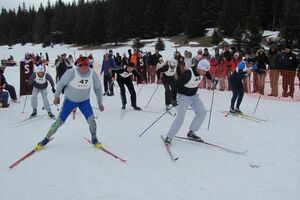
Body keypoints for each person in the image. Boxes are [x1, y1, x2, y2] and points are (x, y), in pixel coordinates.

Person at [35, 56, 104, 150]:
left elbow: (98, 88)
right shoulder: (72, 72)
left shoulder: (92, 74)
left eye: (86, 64)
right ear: (78, 65)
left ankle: (94, 139)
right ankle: (45, 139)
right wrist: (56, 96)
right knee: (59, 122)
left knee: (91, 121)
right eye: (82, 65)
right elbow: (61, 83)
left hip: (84, 102)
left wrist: (100, 103)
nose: (84, 67)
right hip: (69, 101)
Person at [164, 59, 216, 144]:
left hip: (193, 96)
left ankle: (191, 132)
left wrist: (212, 79)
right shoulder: (188, 73)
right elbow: (175, 86)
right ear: (199, 68)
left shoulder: (202, 71)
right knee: (180, 118)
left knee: (202, 112)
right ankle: (169, 137)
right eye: (204, 71)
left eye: (206, 71)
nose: (205, 73)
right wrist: (173, 99)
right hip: (183, 97)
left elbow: (207, 74)